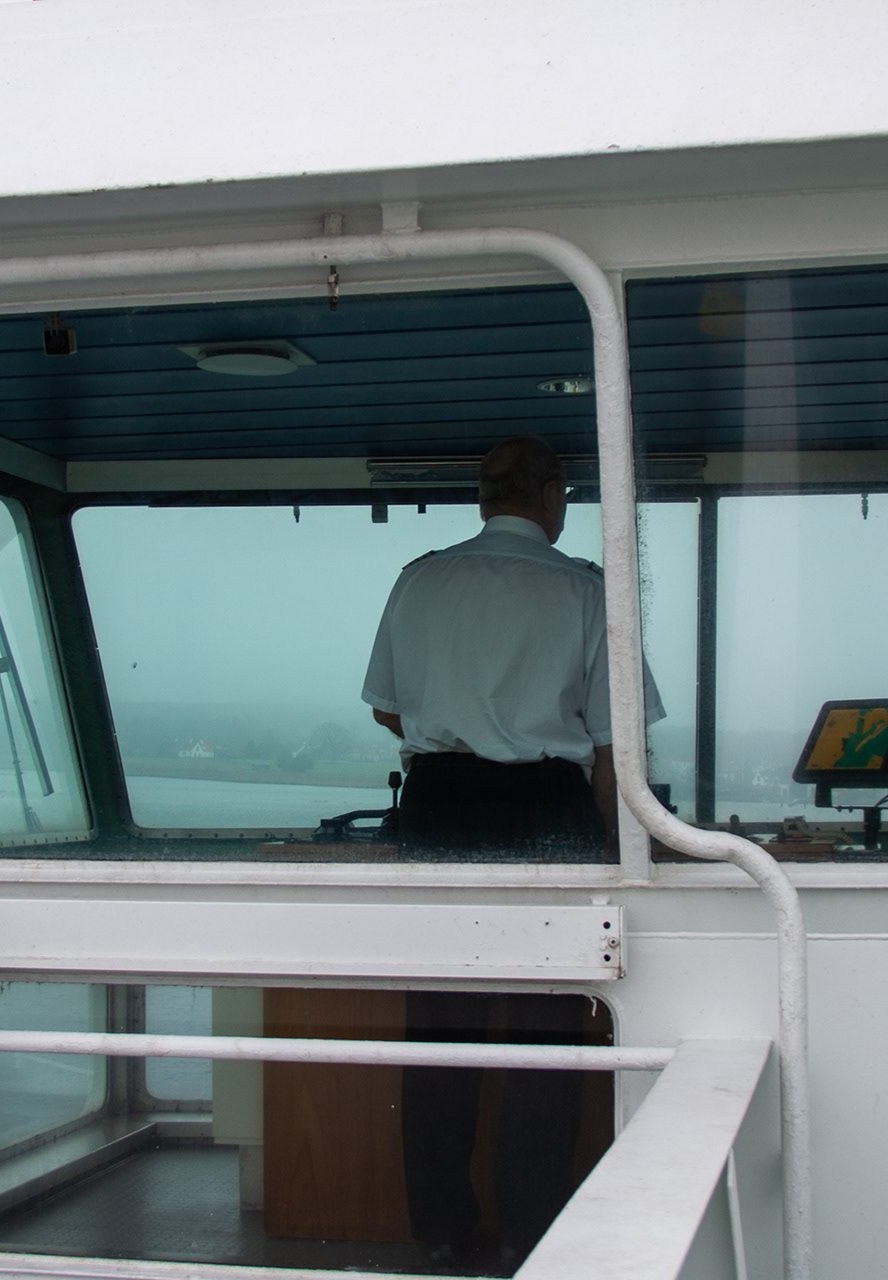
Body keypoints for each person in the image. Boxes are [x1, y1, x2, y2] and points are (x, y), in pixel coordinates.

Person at [359, 435, 663, 1270]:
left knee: (439, 1028)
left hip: (440, 805)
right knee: (544, 1034)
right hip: (544, 806)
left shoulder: (420, 581)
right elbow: (614, 747)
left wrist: (457, 721)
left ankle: (442, 1234)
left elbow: (386, 706)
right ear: (554, 495)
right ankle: (533, 1233)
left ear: (483, 499)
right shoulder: (586, 592)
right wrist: (615, 848)